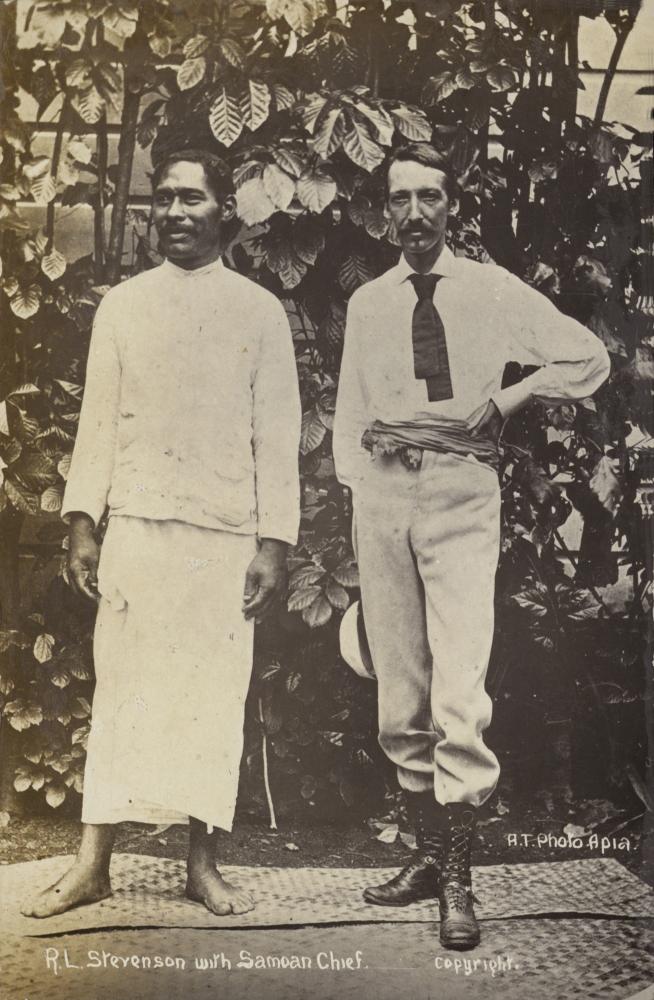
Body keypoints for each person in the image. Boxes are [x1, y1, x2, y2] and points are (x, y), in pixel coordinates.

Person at [333, 142, 610, 950]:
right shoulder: (370, 303)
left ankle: (460, 875)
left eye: (430, 198)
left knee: (459, 679)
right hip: (385, 495)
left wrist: (515, 394)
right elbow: (351, 414)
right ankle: (426, 856)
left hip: (461, 489)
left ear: (452, 207)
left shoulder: (490, 290)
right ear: (384, 213)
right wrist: (365, 501)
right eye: (401, 200)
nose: (415, 214)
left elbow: (588, 356)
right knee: (400, 682)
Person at [22, 149, 301, 919]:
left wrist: (273, 542)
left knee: (215, 692)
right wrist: (84, 524)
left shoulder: (258, 312)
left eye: (193, 199)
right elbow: (98, 422)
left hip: (222, 536)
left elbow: (277, 435)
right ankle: (92, 863)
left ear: (225, 213)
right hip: (138, 528)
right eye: (165, 199)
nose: (175, 212)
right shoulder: (124, 305)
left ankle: (202, 865)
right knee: (122, 688)